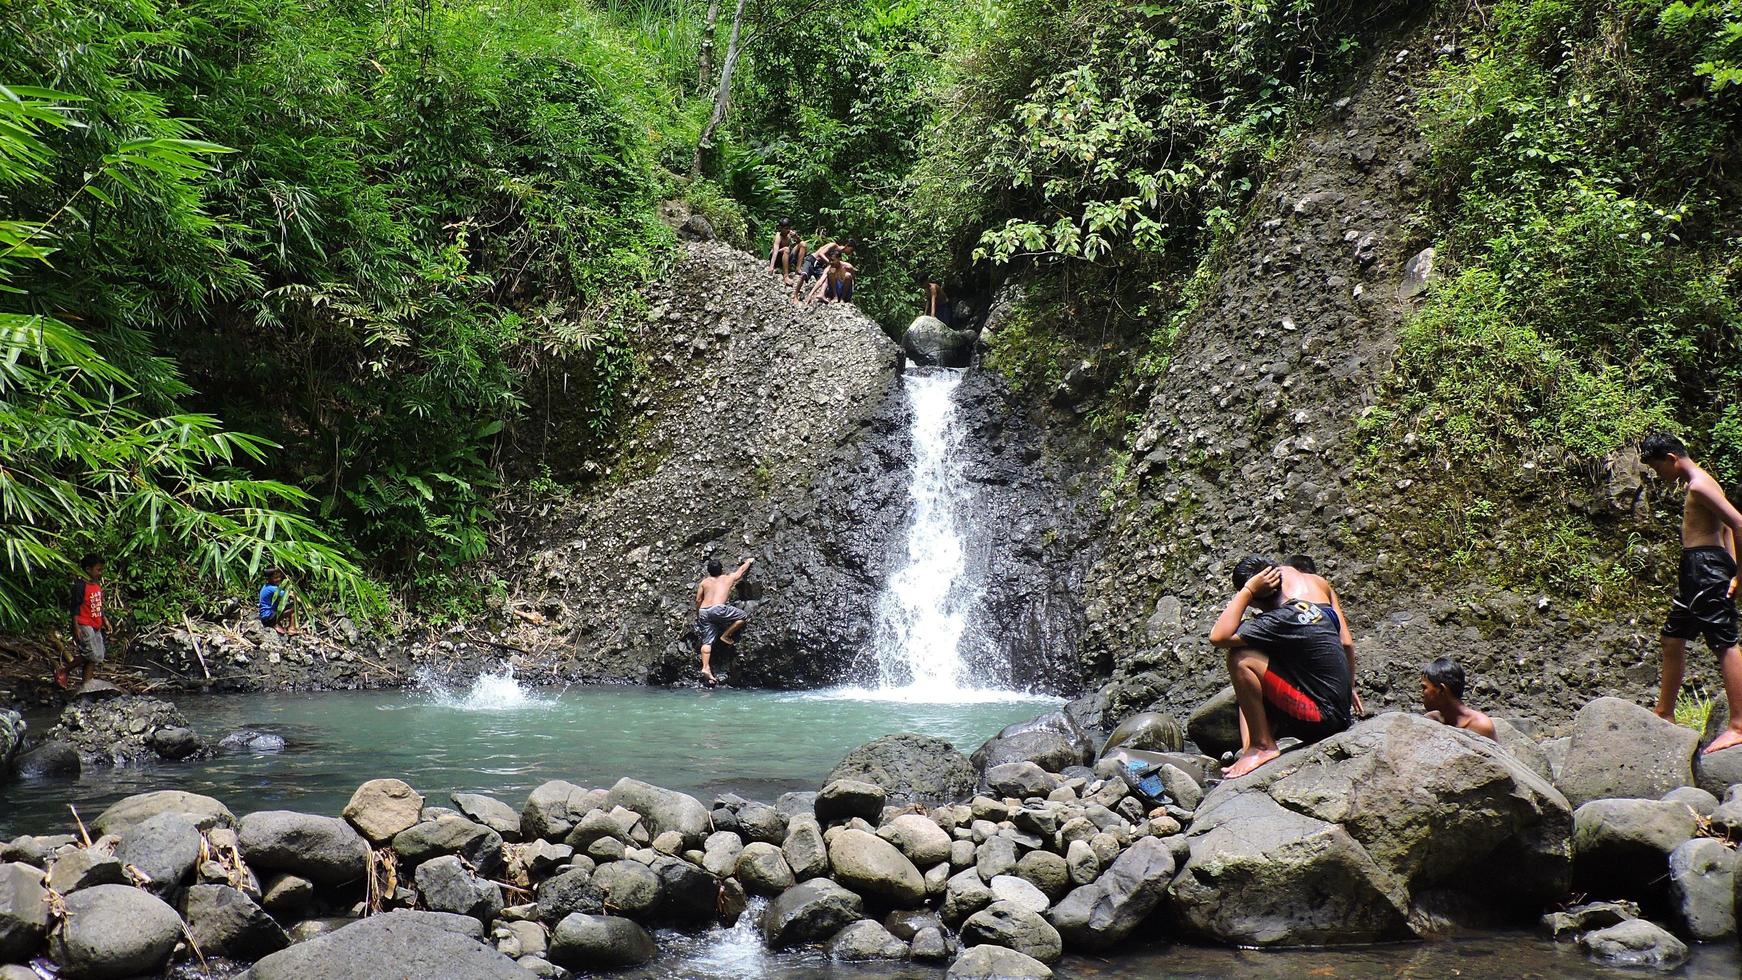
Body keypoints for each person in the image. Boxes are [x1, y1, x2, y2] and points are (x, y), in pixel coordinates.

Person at [1639, 431, 1742, 754]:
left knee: (1724, 642)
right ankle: (1664, 712)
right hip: (1698, 569)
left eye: (1659, 469)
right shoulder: (1699, 482)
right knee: (1672, 638)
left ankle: (1738, 725)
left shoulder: (1699, 485)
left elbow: (1738, 523)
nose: (1660, 476)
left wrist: (1738, 573)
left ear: (1672, 459)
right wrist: (1730, 564)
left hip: (1705, 569)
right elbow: (1723, 528)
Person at [1208, 554, 1354, 777]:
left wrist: (1246, 591)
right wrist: (1349, 686)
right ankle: (1252, 748)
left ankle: (1262, 747)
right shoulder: (1311, 601)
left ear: (1255, 601)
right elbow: (1346, 642)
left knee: (1241, 658)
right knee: (1257, 675)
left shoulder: (1281, 619)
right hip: (1338, 710)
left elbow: (1218, 637)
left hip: (1323, 719)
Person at [695, 556, 755, 686]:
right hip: (718, 609)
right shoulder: (728, 578)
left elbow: (698, 600)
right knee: (743, 617)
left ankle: (705, 667)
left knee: (707, 641)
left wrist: (698, 613)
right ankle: (725, 635)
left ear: (709, 571)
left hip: (704, 611)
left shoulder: (704, 582)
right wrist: (748, 562)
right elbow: (741, 572)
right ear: (721, 570)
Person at [60, 554, 110, 689]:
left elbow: (98, 604)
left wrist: (104, 619)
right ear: (88, 569)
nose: (100, 573)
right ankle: (63, 671)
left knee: (97, 656)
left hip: (96, 624)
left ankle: (86, 686)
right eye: (98, 570)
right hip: (84, 623)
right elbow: (75, 608)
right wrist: (75, 627)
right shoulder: (80, 586)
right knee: (90, 654)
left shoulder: (96, 585)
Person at [1420, 657, 1496, 739]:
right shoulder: (1431, 720)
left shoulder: (1481, 726)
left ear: (1441, 689)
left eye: (1424, 688)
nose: (1421, 693)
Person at [793, 238, 856, 302]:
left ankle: (822, 294)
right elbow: (821, 253)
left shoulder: (838, 255)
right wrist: (830, 263)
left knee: (826, 278)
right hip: (813, 260)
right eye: (851, 250)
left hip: (819, 266)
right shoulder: (833, 245)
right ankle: (795, 295)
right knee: (804, 275)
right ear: (847, 246)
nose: (850, 253)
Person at [259, 567, 299, 635]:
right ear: (268, 579)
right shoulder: (272, 588)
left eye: (279, 577)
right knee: (294, 608)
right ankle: (292, 628)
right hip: (269, 617)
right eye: (275, 578)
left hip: (265, 616)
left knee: (285, 606)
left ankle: (277, 623)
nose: (279, 579)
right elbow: (289, 595)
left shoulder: (266, 586)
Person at [768, 218, 806, 285]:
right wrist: (771, 266)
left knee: (803, 244)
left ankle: (798, 269)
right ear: (780, 228)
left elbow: (799, 242)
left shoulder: (789, 234)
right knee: (786, 249)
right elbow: (775, 250)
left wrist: (796, 236)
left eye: (788, 228)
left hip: (786, 256)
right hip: (777, 257)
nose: (787, 230)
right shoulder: (778, 236)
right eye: (785, 228)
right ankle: (786, 276)